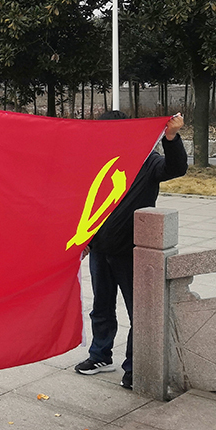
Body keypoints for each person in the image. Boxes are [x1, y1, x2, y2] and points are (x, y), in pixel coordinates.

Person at [75, 111, 187, 390]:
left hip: (131, 251)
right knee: (101, 307)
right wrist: (83, 238)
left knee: (139, 311)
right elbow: (84, 203)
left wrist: (171, 137)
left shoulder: (147, 162)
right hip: (100, 250)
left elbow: (176, 168)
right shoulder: (97, 165)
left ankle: (134, 368)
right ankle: (100, 355)